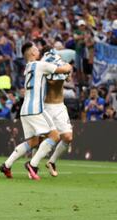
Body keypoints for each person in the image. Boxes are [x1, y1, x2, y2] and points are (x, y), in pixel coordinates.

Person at [0, 42, 72, 180]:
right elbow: (63, 69)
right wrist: (69, 65)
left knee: (32, 142)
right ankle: (33, 165)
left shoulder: (27, 68)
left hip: (24, 110)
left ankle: (7, 165)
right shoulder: (40, 65)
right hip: (36, 109)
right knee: (55, 136)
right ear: (32, 52)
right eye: (36, 49)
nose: (39, 51)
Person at [41, 48, 73, 177]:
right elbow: (51, 81)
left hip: (60, 107)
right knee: (41, 138)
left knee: (68, 137)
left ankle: (52, 161)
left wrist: (67, 72)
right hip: (45, 107)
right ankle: (33, 166)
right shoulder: (42, 68)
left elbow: (69, 79)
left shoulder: (61, 67)